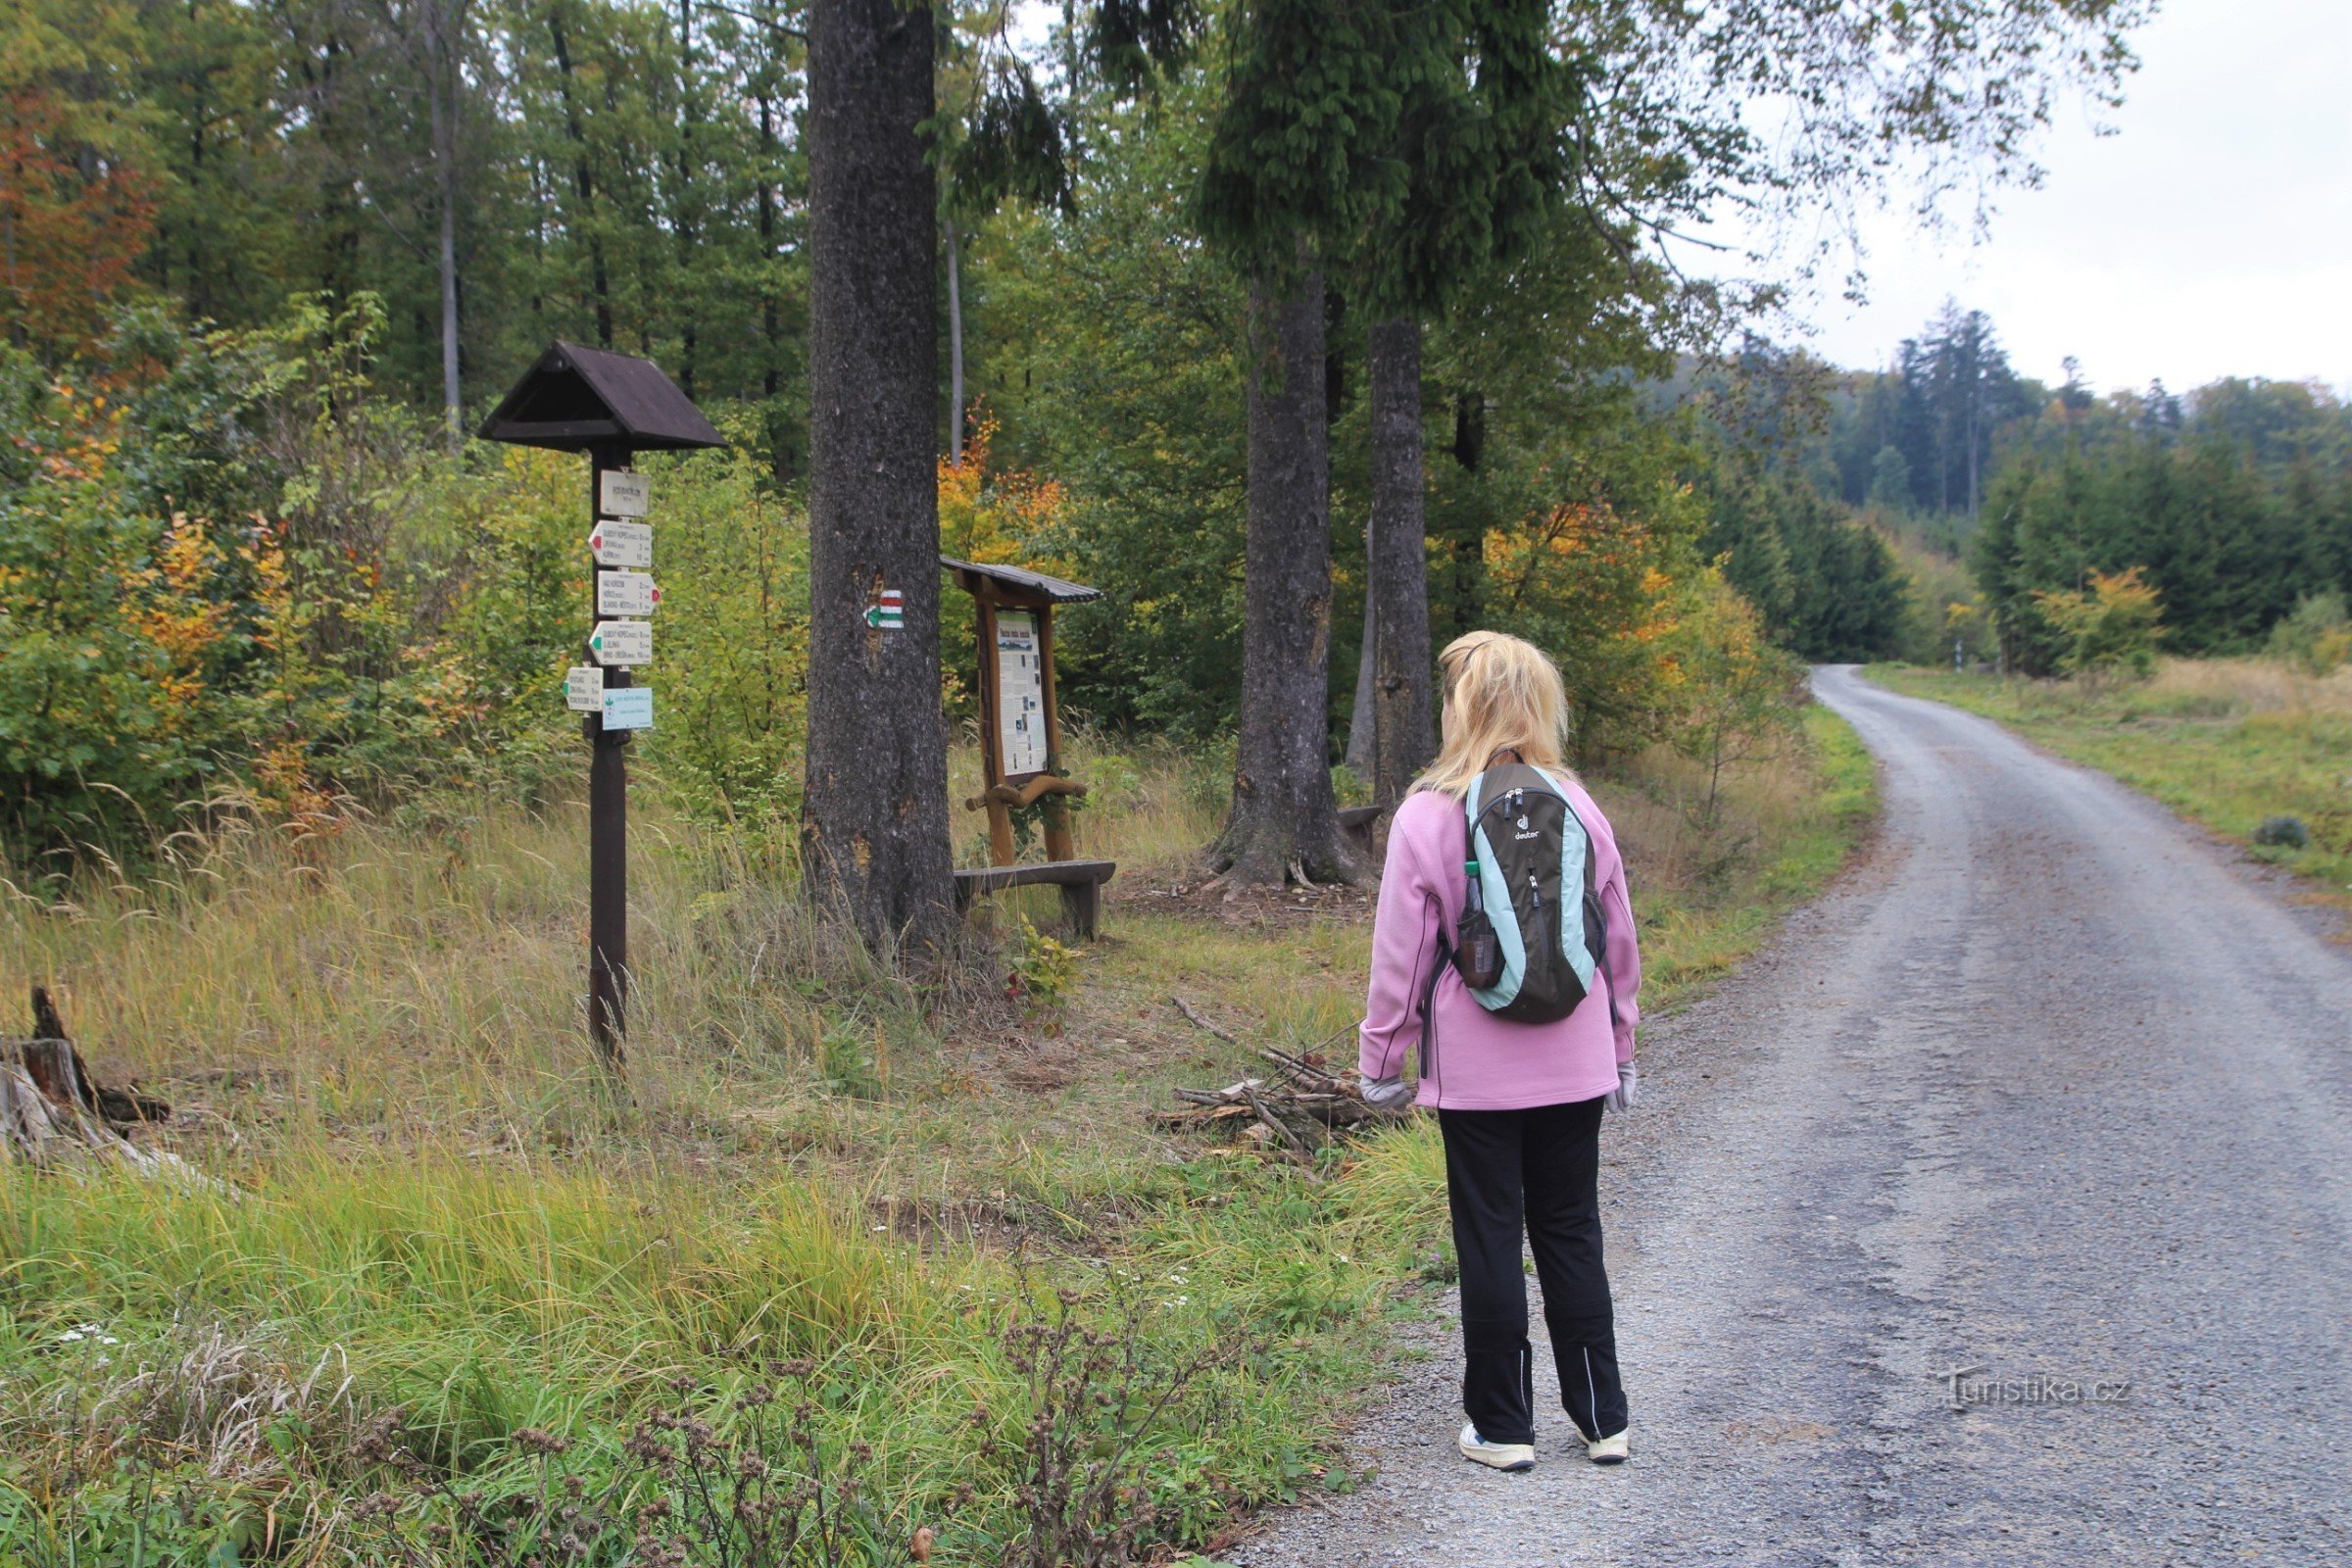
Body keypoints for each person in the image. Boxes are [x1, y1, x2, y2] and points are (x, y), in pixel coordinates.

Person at [1358, 630, 1642, 1473]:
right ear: (1538, 705)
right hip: (1577, 1059)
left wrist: (1383, 1060)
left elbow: (1401, 955)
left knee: (1489, 1234)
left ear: (1461, 709)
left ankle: (1503, 1427)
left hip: (1479, 1075)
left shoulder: (1426, 814)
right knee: (1570, 1229)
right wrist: (1621, 1048)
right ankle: (1603, 1419)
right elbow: (1617, 936)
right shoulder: (1578, 803)